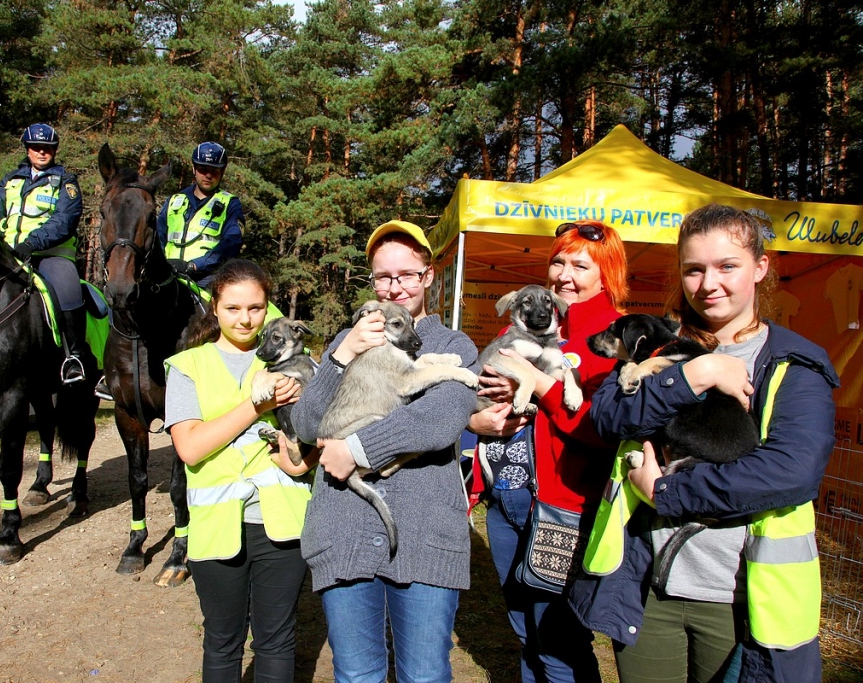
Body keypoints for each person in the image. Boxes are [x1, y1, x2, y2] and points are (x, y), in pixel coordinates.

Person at [581, 203, 838, 683]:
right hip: (646, 582)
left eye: (727, 266)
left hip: (739, 594)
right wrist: (698, 373)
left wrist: (664, 492)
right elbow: (610, 416)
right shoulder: (655, 343)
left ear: (760, 268)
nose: (708, 283)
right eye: (693, 270)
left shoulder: (794, 364)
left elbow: (789, 472)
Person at [290, 220, 478, 683]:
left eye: (407, 275)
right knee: (356, 675)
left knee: (425, 676)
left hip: (426, 535)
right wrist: (340, 356)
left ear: (428, 276)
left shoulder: (454, 346)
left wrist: (355, 449)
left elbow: (437, 421)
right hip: (346, 530)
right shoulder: (345, 341)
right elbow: (307, 424)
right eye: (382, 276)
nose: (394, 287)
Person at [468, 220, 628, 682]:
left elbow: (603, 428)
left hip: (564, 507)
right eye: (559, 261)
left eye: (581, 265)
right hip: (506, 504)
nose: (564, 275)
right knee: (525, 633)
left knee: (560, 643)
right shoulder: (523, 328)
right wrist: (473, 421)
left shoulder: (615, 335)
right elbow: (478, 398)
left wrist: (541, 386)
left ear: (607, 274)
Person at [163, 258, 314, 683]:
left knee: (277, 640)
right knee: (223, 640)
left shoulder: (292, 359)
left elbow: (317, 436)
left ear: (269, 309)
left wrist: (304, 459)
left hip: (283, 523)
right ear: (215, 308)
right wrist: (257, 406)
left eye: (255, 308)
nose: (245, 319)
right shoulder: (187, 366)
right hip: (216, 526)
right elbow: (190, 448)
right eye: (233, 308)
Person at [0, 122, 87, 384]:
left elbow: (65, 220)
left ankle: (73, 356)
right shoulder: (9, 181)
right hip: (7, 254)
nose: (42, 152)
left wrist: (32, 243)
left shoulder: (66, 181)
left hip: (49, 256)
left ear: (54, 150)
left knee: (68, 289)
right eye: (36, 148)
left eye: (47, 148)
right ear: (27, 149)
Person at [157, 141, 244, 288]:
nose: (208, 175)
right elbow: (158, 238)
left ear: (222, 172)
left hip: (207, 278)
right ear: (194, 169)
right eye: (203, 169)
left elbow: (231, 244)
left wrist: (194, 265)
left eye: (214, 171)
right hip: (167, 274)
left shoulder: (230, 203)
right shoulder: (174, 201)